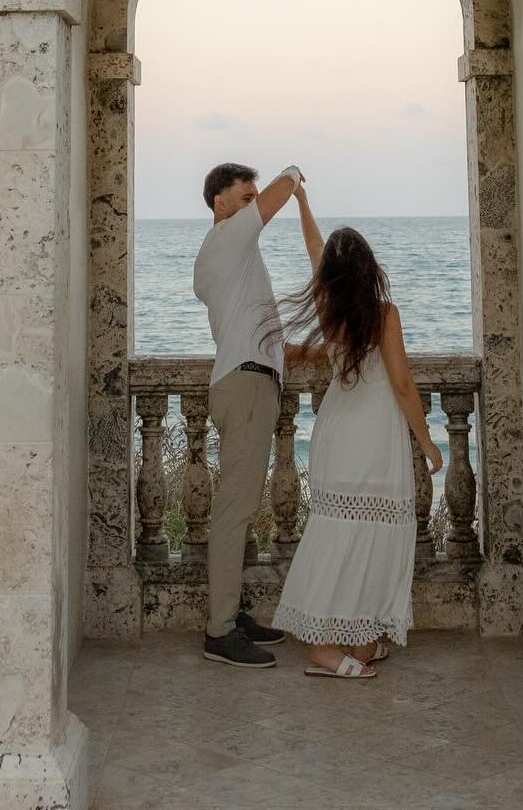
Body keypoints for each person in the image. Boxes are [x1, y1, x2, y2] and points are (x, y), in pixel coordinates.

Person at [271, 185, 443, 679]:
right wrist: (427, 440)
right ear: (370, 269)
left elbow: (314, 251)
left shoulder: (332, 310)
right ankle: (326, 648)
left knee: (348, 534)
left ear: (332, 275)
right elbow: (404, 384)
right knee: (367, 536)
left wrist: (304, 207)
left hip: (337, 435)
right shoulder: (384, 315)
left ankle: (362, 639)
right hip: (372, 440)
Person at [194, 159, 305, 668]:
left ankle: (230, 613)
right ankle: (219, 630)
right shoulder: (227, 239)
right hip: (245, 385)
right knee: (235, 510)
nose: (252, 203)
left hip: (247, 382)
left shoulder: (226, 254)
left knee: (240, 508)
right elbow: (280, 193)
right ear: (221, 202)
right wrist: (295, 174)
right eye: (245, 196)